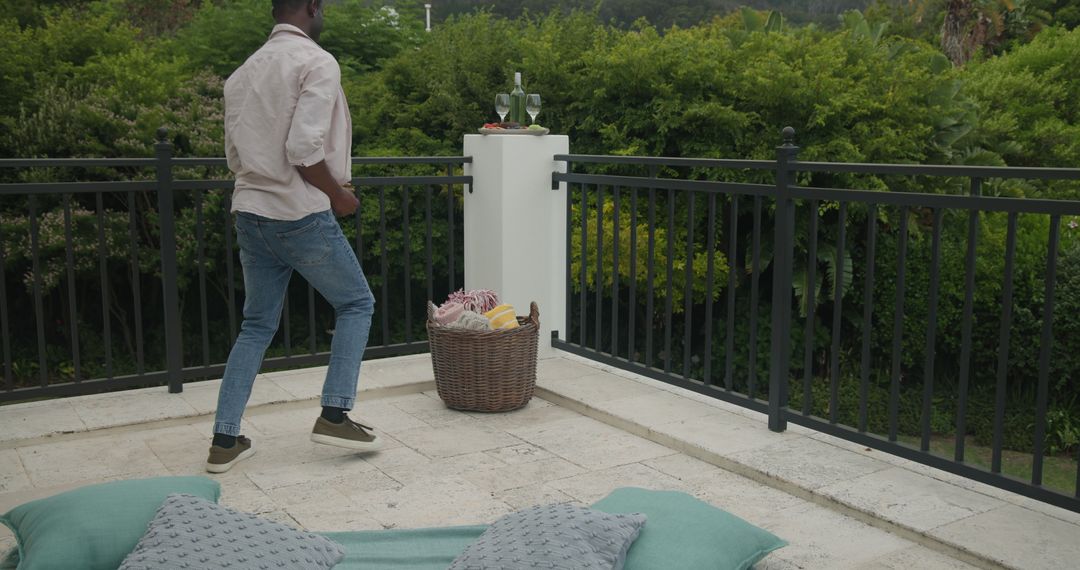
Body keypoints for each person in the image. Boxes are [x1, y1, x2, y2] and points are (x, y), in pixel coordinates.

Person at [206, 0, 380, 474]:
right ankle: (334, 413)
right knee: (357, 304)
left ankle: (225, 440)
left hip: (250, 212)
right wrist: (338, 195)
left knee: (257, 325)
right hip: (298, 214)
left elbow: (234, 155)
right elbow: (303, 150)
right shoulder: (316, 61)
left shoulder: (242, 73)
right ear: (311, 8)